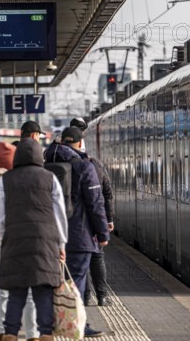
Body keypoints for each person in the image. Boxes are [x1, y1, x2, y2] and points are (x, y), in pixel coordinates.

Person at [0, 138, 68, 340]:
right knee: (43, 291)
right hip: (46, 242)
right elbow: (59, 214)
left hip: (15, 241)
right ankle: (45, 334)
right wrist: (61, 243)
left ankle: (10, 333)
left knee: (17, 291)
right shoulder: (50, 178)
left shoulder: (6, 180)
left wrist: (2, 238)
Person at [44, 126, 109, 337]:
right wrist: (102, 234)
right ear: (80, 143)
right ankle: (78, 326)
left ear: (61, 141)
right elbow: (96, 204)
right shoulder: (84, 166)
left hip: (48, 234)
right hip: (78, 235)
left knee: (53, 281)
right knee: (76, 282)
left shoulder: (45, 164)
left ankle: (51, 323)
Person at [0, 141, 39, 341]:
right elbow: (1, 216)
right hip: (12, 240)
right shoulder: (9, 181)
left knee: (1, 286)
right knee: (29, 286)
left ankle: (3, 330)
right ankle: (31, 333)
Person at [67, 118, 115, 307]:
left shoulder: (56, 163)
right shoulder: (93, 165)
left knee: (80, 263)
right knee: (96, 257)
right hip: (92, 223)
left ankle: (85, 296)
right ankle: (102, 296)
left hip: (70, 224)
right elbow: (106, 194)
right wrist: (108, 221)